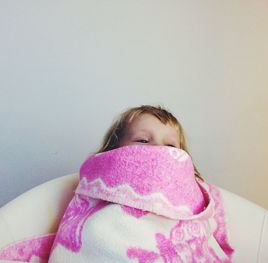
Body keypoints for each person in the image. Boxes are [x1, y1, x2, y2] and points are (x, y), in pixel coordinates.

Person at [49, 105, 234, 263]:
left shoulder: (194, 193)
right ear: (114, 151)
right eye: (143, 140)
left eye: (170, 146)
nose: (157, 150)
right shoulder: (99, 187)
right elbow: (91, 232)